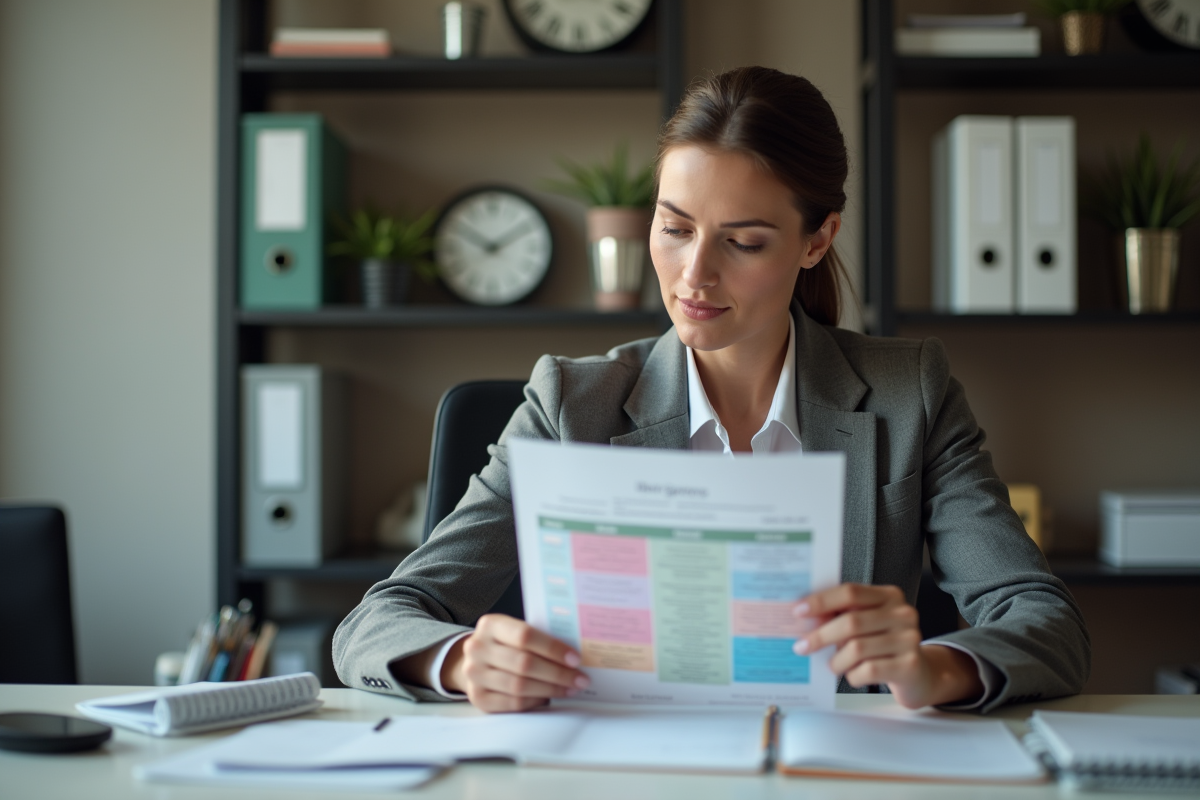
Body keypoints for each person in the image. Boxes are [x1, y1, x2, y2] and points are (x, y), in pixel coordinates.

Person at [333, 66, 1090, 714]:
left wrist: (933, 668)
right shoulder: (572, 404)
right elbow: (377, 622)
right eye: (674, 228)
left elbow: (1044, 622)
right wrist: (462, 661)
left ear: (816, 239)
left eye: (743, 241)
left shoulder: (907, 393)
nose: (695, 275)